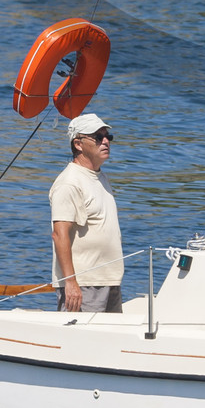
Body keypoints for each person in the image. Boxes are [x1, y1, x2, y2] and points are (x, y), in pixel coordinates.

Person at [50, 112, 124, 314]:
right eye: (98, 137)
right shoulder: (69, 182)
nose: (106, 141)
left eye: (108, 137)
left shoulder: (100, 177)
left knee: (109, 340)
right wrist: (70, 282)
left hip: (109, 279)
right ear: (78, 144)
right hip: (84, 284)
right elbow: (59, 234)